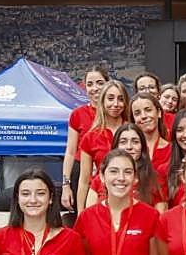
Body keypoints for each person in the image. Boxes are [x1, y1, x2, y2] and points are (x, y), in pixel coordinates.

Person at [76, 80, 131, 211]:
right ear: (102, 102)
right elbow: (84, 180)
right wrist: (80, 213)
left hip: (131, 193)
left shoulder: (133, 132)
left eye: (120, 99)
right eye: (110, 99)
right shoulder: (90, 137)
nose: (115, 104)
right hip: (100, 196)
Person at [62, 66, 109, 212]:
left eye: (100, 83)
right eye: (90, 84)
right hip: (81, 174)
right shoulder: (78, 114)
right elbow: (70, 152)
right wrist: (66, 186)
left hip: (108, 173)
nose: (95, 88)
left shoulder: (117, 113)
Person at [84, 124, 162, 210]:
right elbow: (89, 217)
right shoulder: (101, 179)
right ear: (116, 147)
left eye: (135, 142)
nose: (129, 147)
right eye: (123, 142)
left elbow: (160, 218)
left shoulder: (155, 179)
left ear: (142, 147)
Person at [130, 91, 173, 173]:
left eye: (148, 110)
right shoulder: (127, 148)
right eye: (137, 113)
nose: (143, 116)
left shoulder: (172, 150)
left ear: (159, 113)